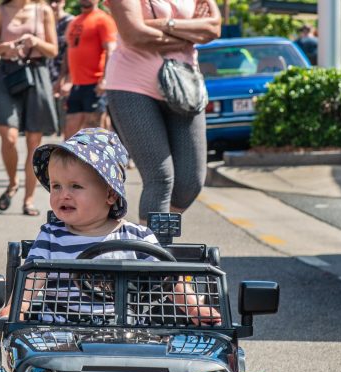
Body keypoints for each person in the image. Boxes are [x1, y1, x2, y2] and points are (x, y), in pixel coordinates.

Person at [21, 127, 221, 323]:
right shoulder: (51, 235)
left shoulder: (137, 237)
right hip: (58, 332)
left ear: (110, 194)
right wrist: (19, 307)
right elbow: (33, 276)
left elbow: (169, 279)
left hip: (122, 333)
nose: (63, 194)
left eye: (76, 186)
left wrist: (195, 307)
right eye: (56, 186)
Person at [105, 0, 220, 223]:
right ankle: (152, 250)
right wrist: (189, 35)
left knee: (190, 182)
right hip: (132, 85)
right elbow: (133, 35)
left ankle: (152, 236)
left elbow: (213, 29)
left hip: (184, 85)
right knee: (160, 179)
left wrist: (161, 25)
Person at [0, 0, 59, 217]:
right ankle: (12, 182)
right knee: (7, 135)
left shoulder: (43, 9)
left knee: (33, 140)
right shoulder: (0, 12)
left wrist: (35, 41)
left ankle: (28, 199)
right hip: (8, 74)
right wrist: (5, 47)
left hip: (36, 73)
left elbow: (53, 50)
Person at [58, 0, 116, 138]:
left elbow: (111, 49)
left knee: (95, 130)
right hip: (76, 85)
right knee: (70, 130)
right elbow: (69, 51)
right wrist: (63, 78)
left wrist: (105, 79)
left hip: (95, 84)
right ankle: (73, 160)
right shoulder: (74, 21)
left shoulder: (103, 19)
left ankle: (106, 159)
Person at [48, 0, 73, 135]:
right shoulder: (45, 21)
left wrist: (67, 77)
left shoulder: (70, 22)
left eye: (56, 1)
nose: (53, 5)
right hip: (47, 73)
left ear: (63, 2)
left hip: (65, 73)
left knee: (67, 115)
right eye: (50, 2)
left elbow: (72, 51)